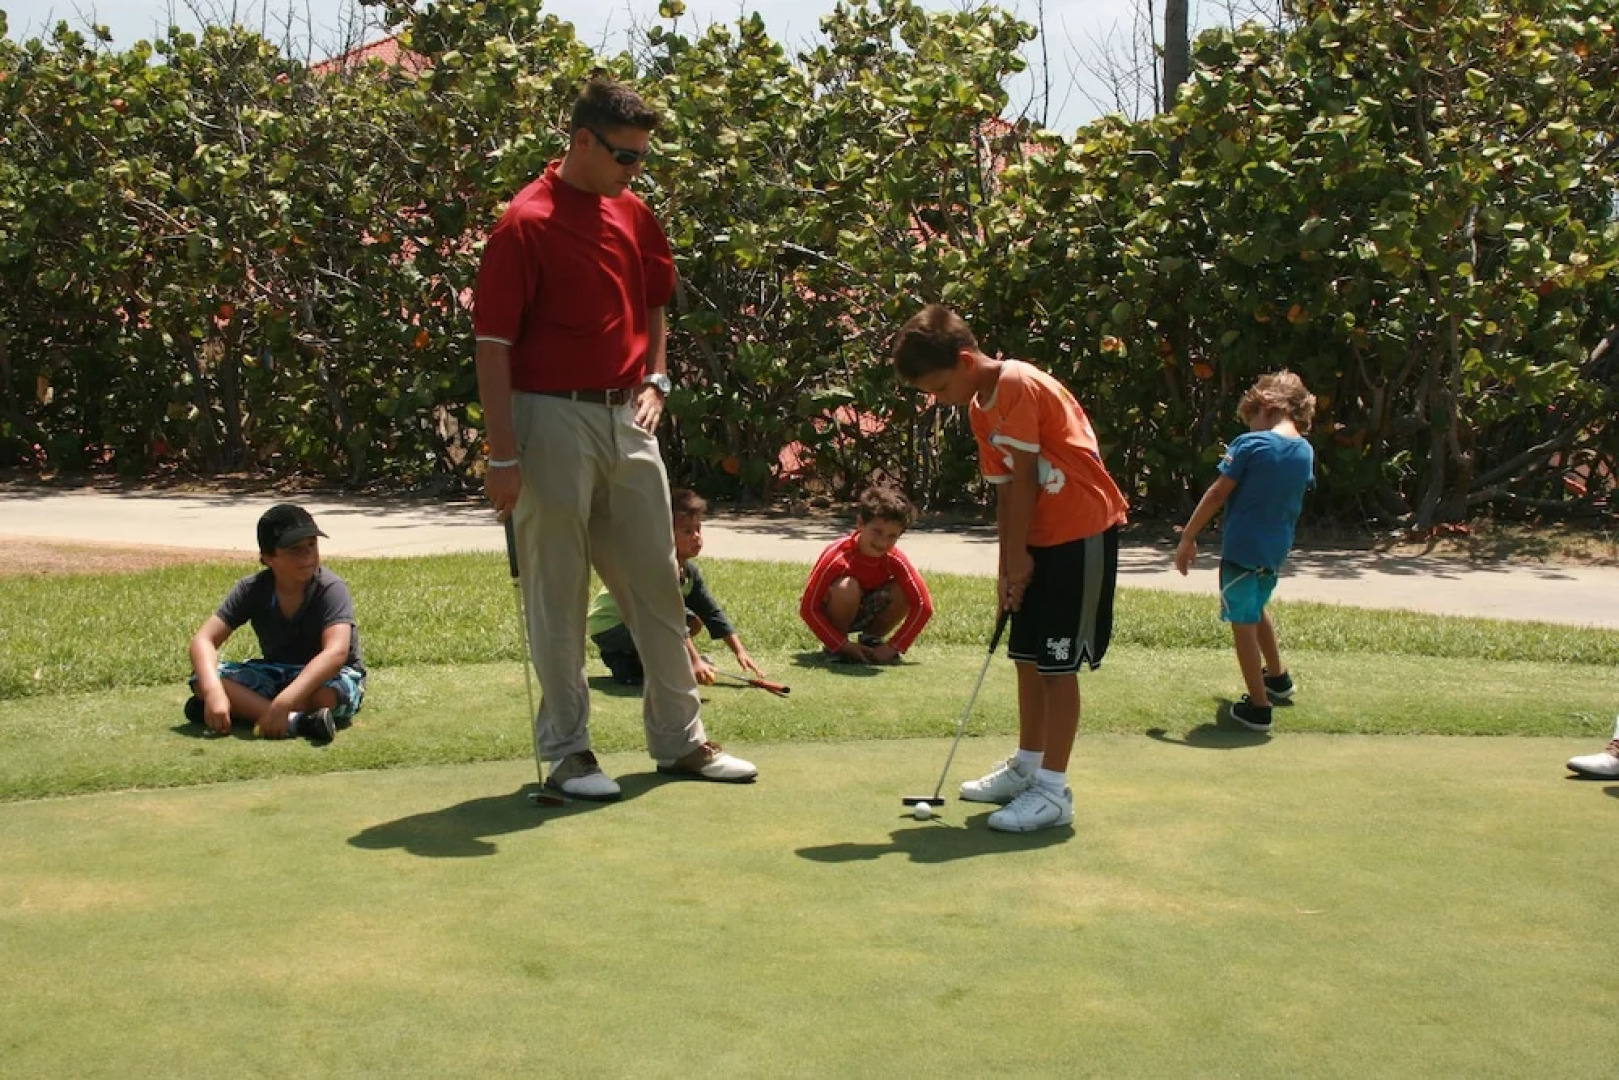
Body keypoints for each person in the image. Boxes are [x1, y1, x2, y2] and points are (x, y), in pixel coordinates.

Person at [472, 76, 756, 801]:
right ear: (581, 142)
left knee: (656, 579)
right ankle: (569, 754)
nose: (636, 171)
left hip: (627, 417)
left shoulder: (633, 213)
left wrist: (657, 380)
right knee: (558, 591)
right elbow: (493, 344)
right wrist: (502, 455)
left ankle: (680, 742)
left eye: (641, 159)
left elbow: (655, 300)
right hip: (547, 417)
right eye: (626, 157)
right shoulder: (524, 221)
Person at [891, 305, 1128, 833]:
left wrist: (1020, 556)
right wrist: (1007, 568)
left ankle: (1053, 790)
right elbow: (1003, 496)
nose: (937, 400)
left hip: (1080, 530)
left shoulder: (1018, 384)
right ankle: (1028, 763)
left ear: (967, 360)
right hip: (1039, 537)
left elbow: (1025, 480)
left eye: (939, 387)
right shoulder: (979, 408)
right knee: (1026, 656)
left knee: (1056, 667)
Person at [1173, 371, 1317, 733]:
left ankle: (1258, 706)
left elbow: (1218, 493)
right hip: (1274, 550)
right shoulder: (1305, 450)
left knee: (1242, 623)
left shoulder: (1249, 445)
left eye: (1252, 418)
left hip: (1241, 549)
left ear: (1266, 408)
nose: (1251, 426)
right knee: (1255, 607)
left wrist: (1188, 536)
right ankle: (1278, 678)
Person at [184, 504, 365, 742]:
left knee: (326, 696)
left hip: (328, 676)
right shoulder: (252, 589)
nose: (308, 555)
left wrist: (285, 701)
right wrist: (213, 691)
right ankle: (297, 722)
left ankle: (250, 710)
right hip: (276, 671)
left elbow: (336, 653)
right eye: (294, 550)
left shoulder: (330, 588)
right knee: (202, 679)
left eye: (312, 545)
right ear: (268, 558)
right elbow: (203, 640)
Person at [588, 488, 765, 687]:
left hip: (638, 624)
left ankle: (634, 662)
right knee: (667, 631)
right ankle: (625, 661)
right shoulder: (658, 569)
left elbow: (711, 612)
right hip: (610, 626)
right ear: (664, 535)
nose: (696, 537)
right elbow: (671, 619)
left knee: (693, 621)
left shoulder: (689, 573)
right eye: (687, 531)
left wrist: (740, 651)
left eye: (698, 529)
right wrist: (695, 661)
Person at [799, 483, 935, 664]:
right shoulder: (836, 556)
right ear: (860, 524)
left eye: (892, 536)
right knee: (847, 587)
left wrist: (893, 647)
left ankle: (872, 640)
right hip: (836, 611)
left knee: (904, 590)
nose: (882, 542)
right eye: (877, 531)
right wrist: (842, 645)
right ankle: (837, 645)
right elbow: (808, 608)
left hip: (870, 609)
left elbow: (923, 606)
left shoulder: (895, 560)